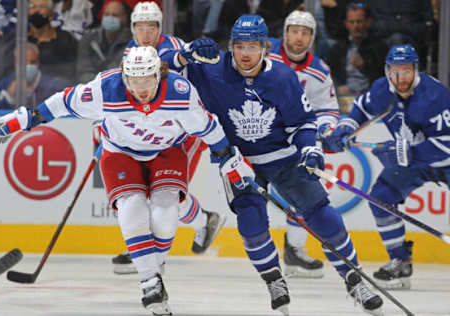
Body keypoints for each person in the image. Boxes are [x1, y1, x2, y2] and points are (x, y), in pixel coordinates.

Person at [0, 45, 254, 316]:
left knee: (165, 212)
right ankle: (150, 281)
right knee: (131, 206)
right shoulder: (106, 88)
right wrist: (27, 118)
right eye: (134, 81)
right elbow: (64, 101)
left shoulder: (180, 92)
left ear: (158, 75)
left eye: (147, 80)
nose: (141, 88)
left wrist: (225, 156)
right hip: (120, 152)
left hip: (167, 151)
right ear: (125, 77)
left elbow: (207, 127)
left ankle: (155, 269)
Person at [161, 14, 383, 315]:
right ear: (232, 47)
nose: (245, 54)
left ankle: (355, 279)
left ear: (265, 47)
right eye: (239, 46)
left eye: (252, 46)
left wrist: (310, 149)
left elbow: (303, 122)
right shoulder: (210, 69)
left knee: (322, 216)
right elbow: (157, 69)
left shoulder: (281, 77)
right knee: (251, 222)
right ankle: (274, 280)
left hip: (282, 157)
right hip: (237, 161)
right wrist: (183, 55)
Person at [323, 43, 450, 290]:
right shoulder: (383, 89)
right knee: (381, 196)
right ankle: (399, 261)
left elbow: (447, 143)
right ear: (386, 71)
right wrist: (346, 127)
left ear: (416, 69)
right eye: (394, 71)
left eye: (405, 71)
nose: (399, 78)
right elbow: (360, 108)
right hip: (414, 163)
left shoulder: (437, 95)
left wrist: (409, 152)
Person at [112, 1, 227, 274]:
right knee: (156, 192)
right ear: (133, 28)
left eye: (151, 26)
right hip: (158, 129)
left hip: (188, 127)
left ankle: (148, 251)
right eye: (140, 26)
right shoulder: (132, 51)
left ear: (159, 27)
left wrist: (187, 54)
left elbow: (173, 59)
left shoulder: (172, 45)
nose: (146, 32)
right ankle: (204, 221)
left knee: (167, 192)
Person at [267, 10, 339, 279]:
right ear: (284, 33)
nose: (299, 38)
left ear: (312, 37)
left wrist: (325, 129)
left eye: (305, 32)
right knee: (248, 194)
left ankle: (294, 251)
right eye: (294, 31)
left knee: (303, 189)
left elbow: (328, 110)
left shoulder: (319, 72)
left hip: (293, 142)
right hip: (256, 137)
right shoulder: (264, 53)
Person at [327, 2, 387, 97]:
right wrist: (338, 88)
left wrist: (365, 66)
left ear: (368, 22)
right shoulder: (338, 48)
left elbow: (384, 77)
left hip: (371, 96)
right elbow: (331, 75)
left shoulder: (379, 47)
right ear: (346, 24)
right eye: (352, 22)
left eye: (359, 21)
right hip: (345, 97)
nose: (356, 26)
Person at [0, 42, 65, 109]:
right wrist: (9, 96)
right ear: (16, 63)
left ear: (38, 63)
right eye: (24, 62)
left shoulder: (53, 86)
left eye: (33, 62)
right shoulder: (4, 83)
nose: (28, 65)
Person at [76, 0, 132, 83]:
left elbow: (119, 73)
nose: (110, 18)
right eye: (106, 14)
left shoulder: (131, 41)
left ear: (125, 18)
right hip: (90, 88)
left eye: (115, 15)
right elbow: (84, 71)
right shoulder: (88, 38)